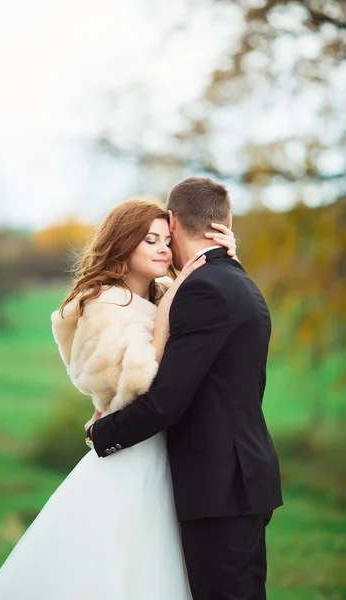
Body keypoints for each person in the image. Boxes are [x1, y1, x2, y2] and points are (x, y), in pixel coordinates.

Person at [0, 195, 237, 600]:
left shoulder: (163, 293)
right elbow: (134, 383)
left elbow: (212, 307)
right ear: (124, 243)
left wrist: (223, 260)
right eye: (149, 240)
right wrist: (168, 312)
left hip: (174, 454)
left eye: (166, 240)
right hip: (133, 456)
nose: (163, 249)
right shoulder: (103, 303)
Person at [88, 177, 283, 600]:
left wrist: (99, 433)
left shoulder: (202, 289)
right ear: (224, 225)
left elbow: (165, 403)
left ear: (173, 221)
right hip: (243, 481)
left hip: (219, 488)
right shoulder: (237, 280)